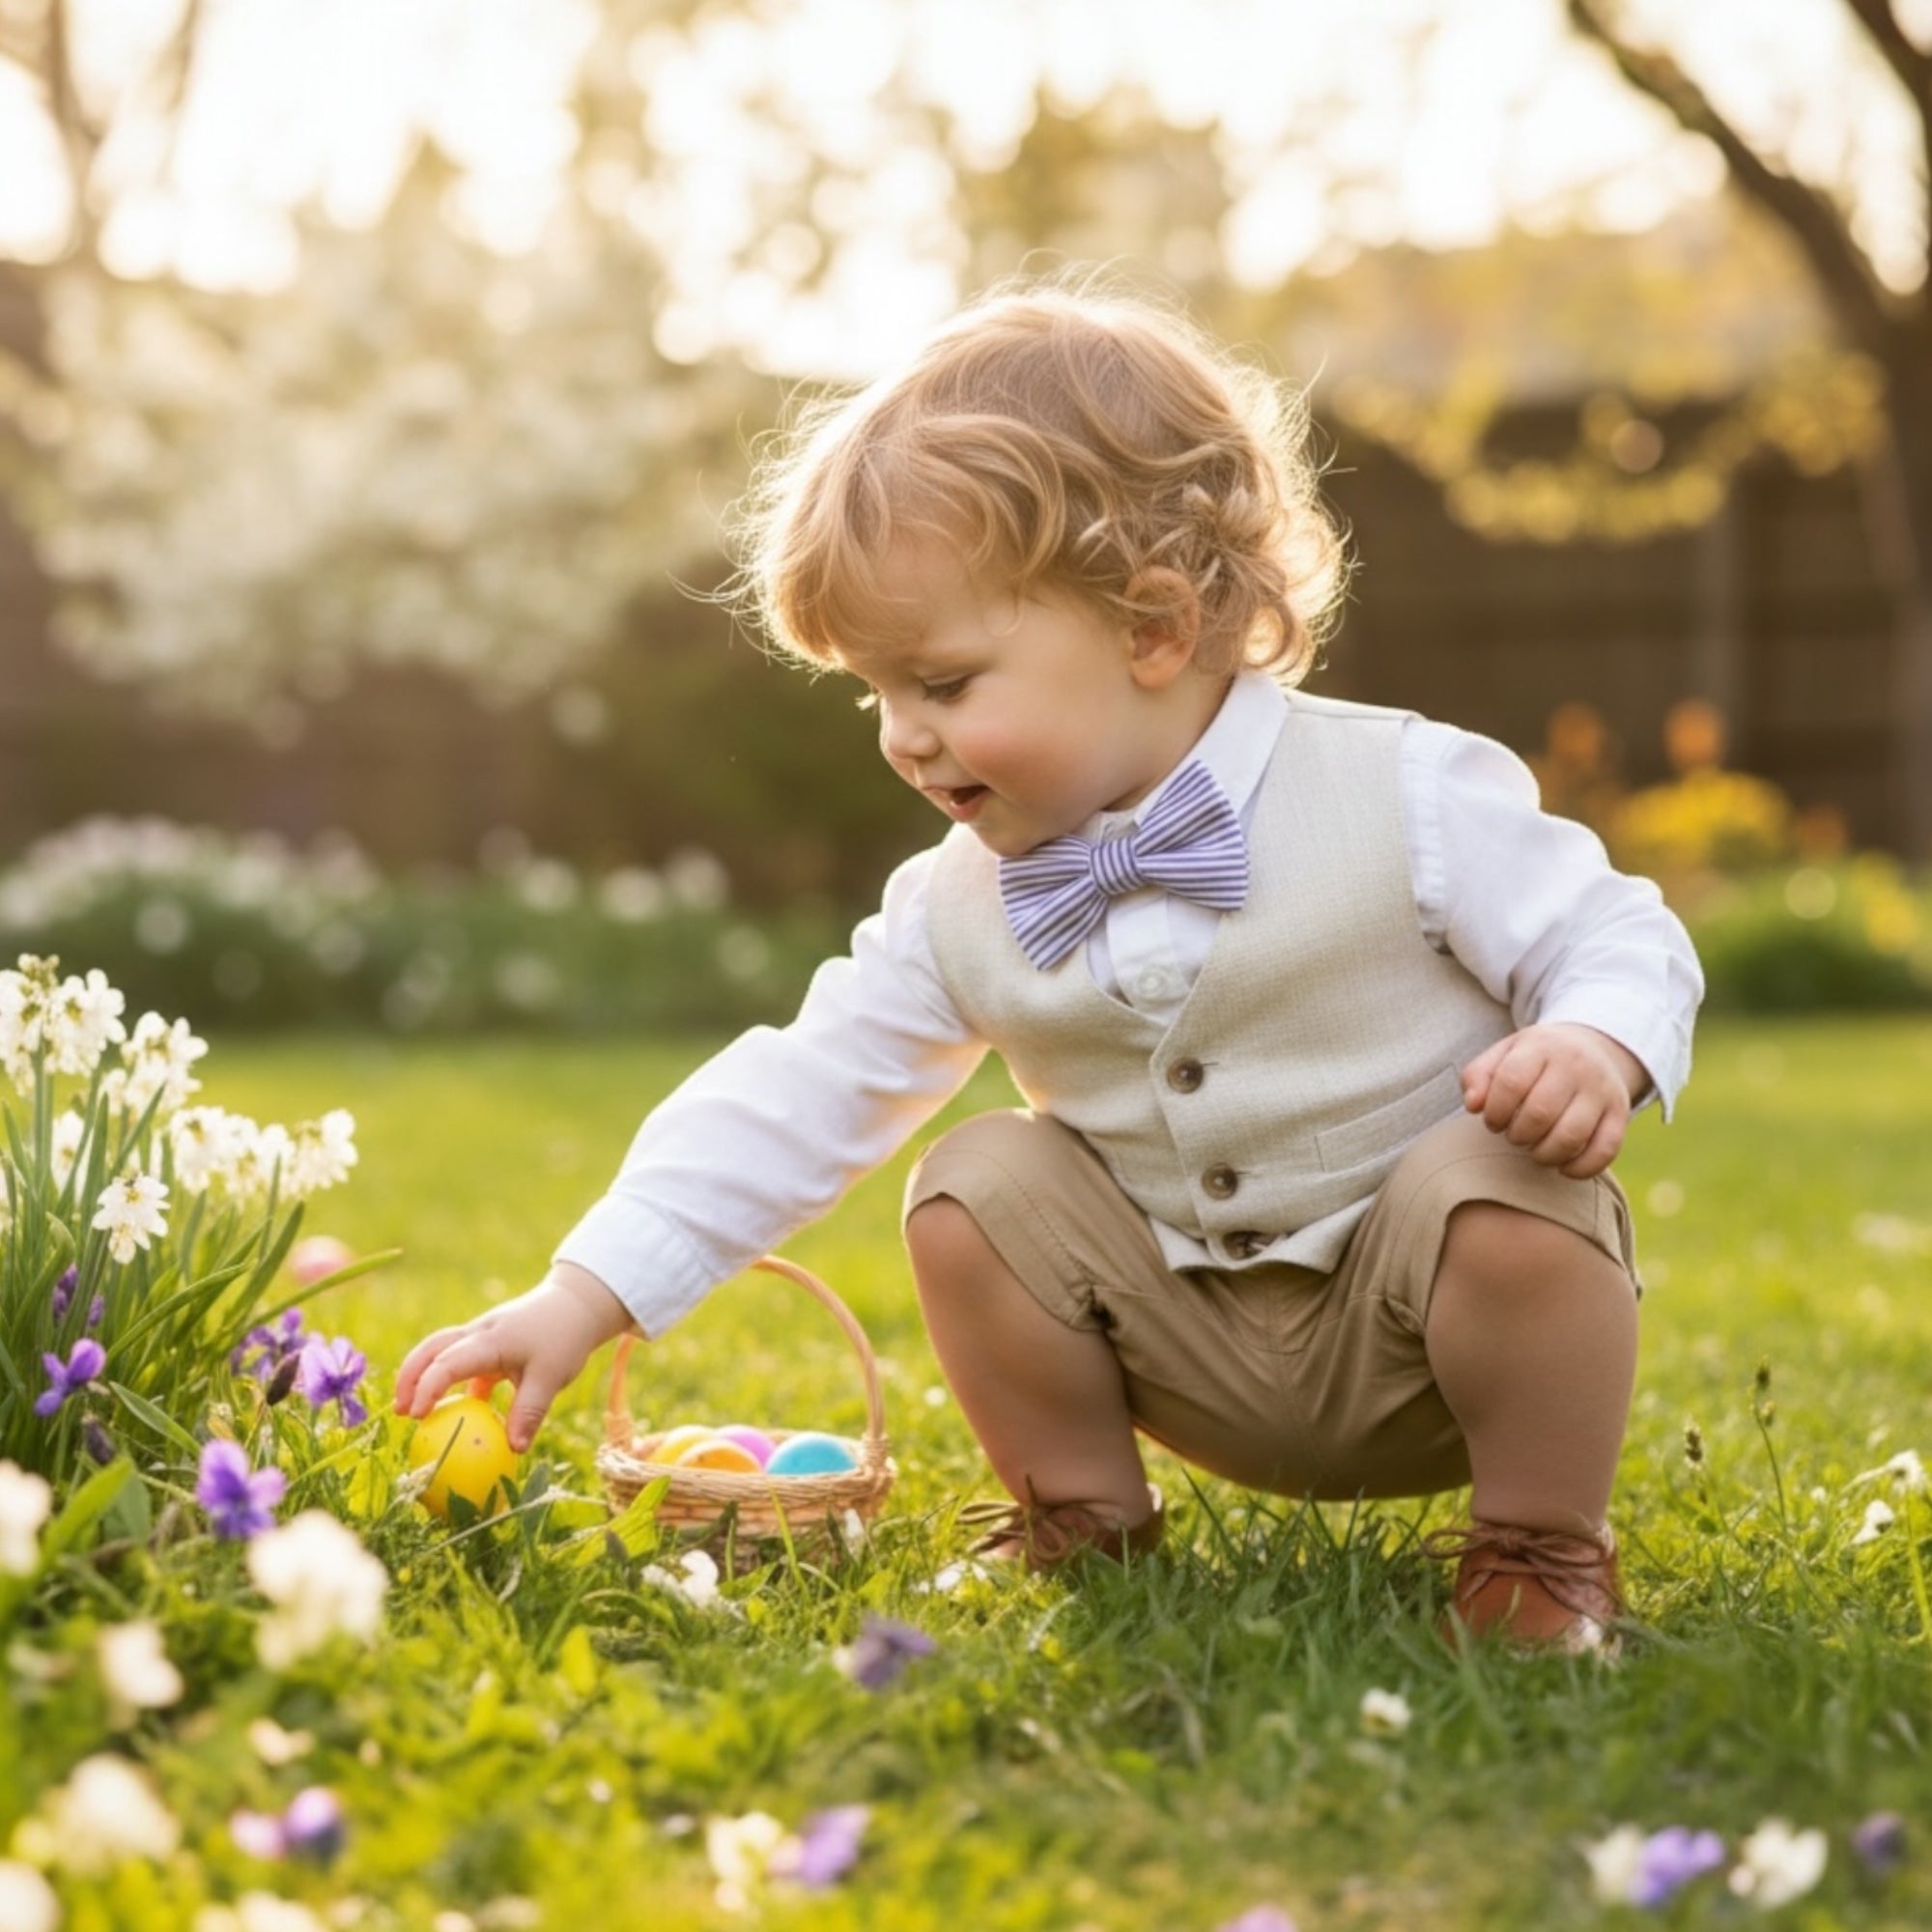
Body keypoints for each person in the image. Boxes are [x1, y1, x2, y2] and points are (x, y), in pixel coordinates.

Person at [395, 271, 1702, 1653]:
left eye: (944, 684)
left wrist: (1594, 1045)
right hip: (1186, 1348)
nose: (901, 736)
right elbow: (800, 1089)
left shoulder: (1406, 790)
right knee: (976, 1181)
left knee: (1499, 1180)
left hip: (1431, 1343)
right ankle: (1082, 1516)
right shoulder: (955, 904)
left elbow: (1619, 934)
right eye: (876, 694)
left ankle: (1537, 1550)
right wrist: (584, 1293)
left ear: (1153, 629)